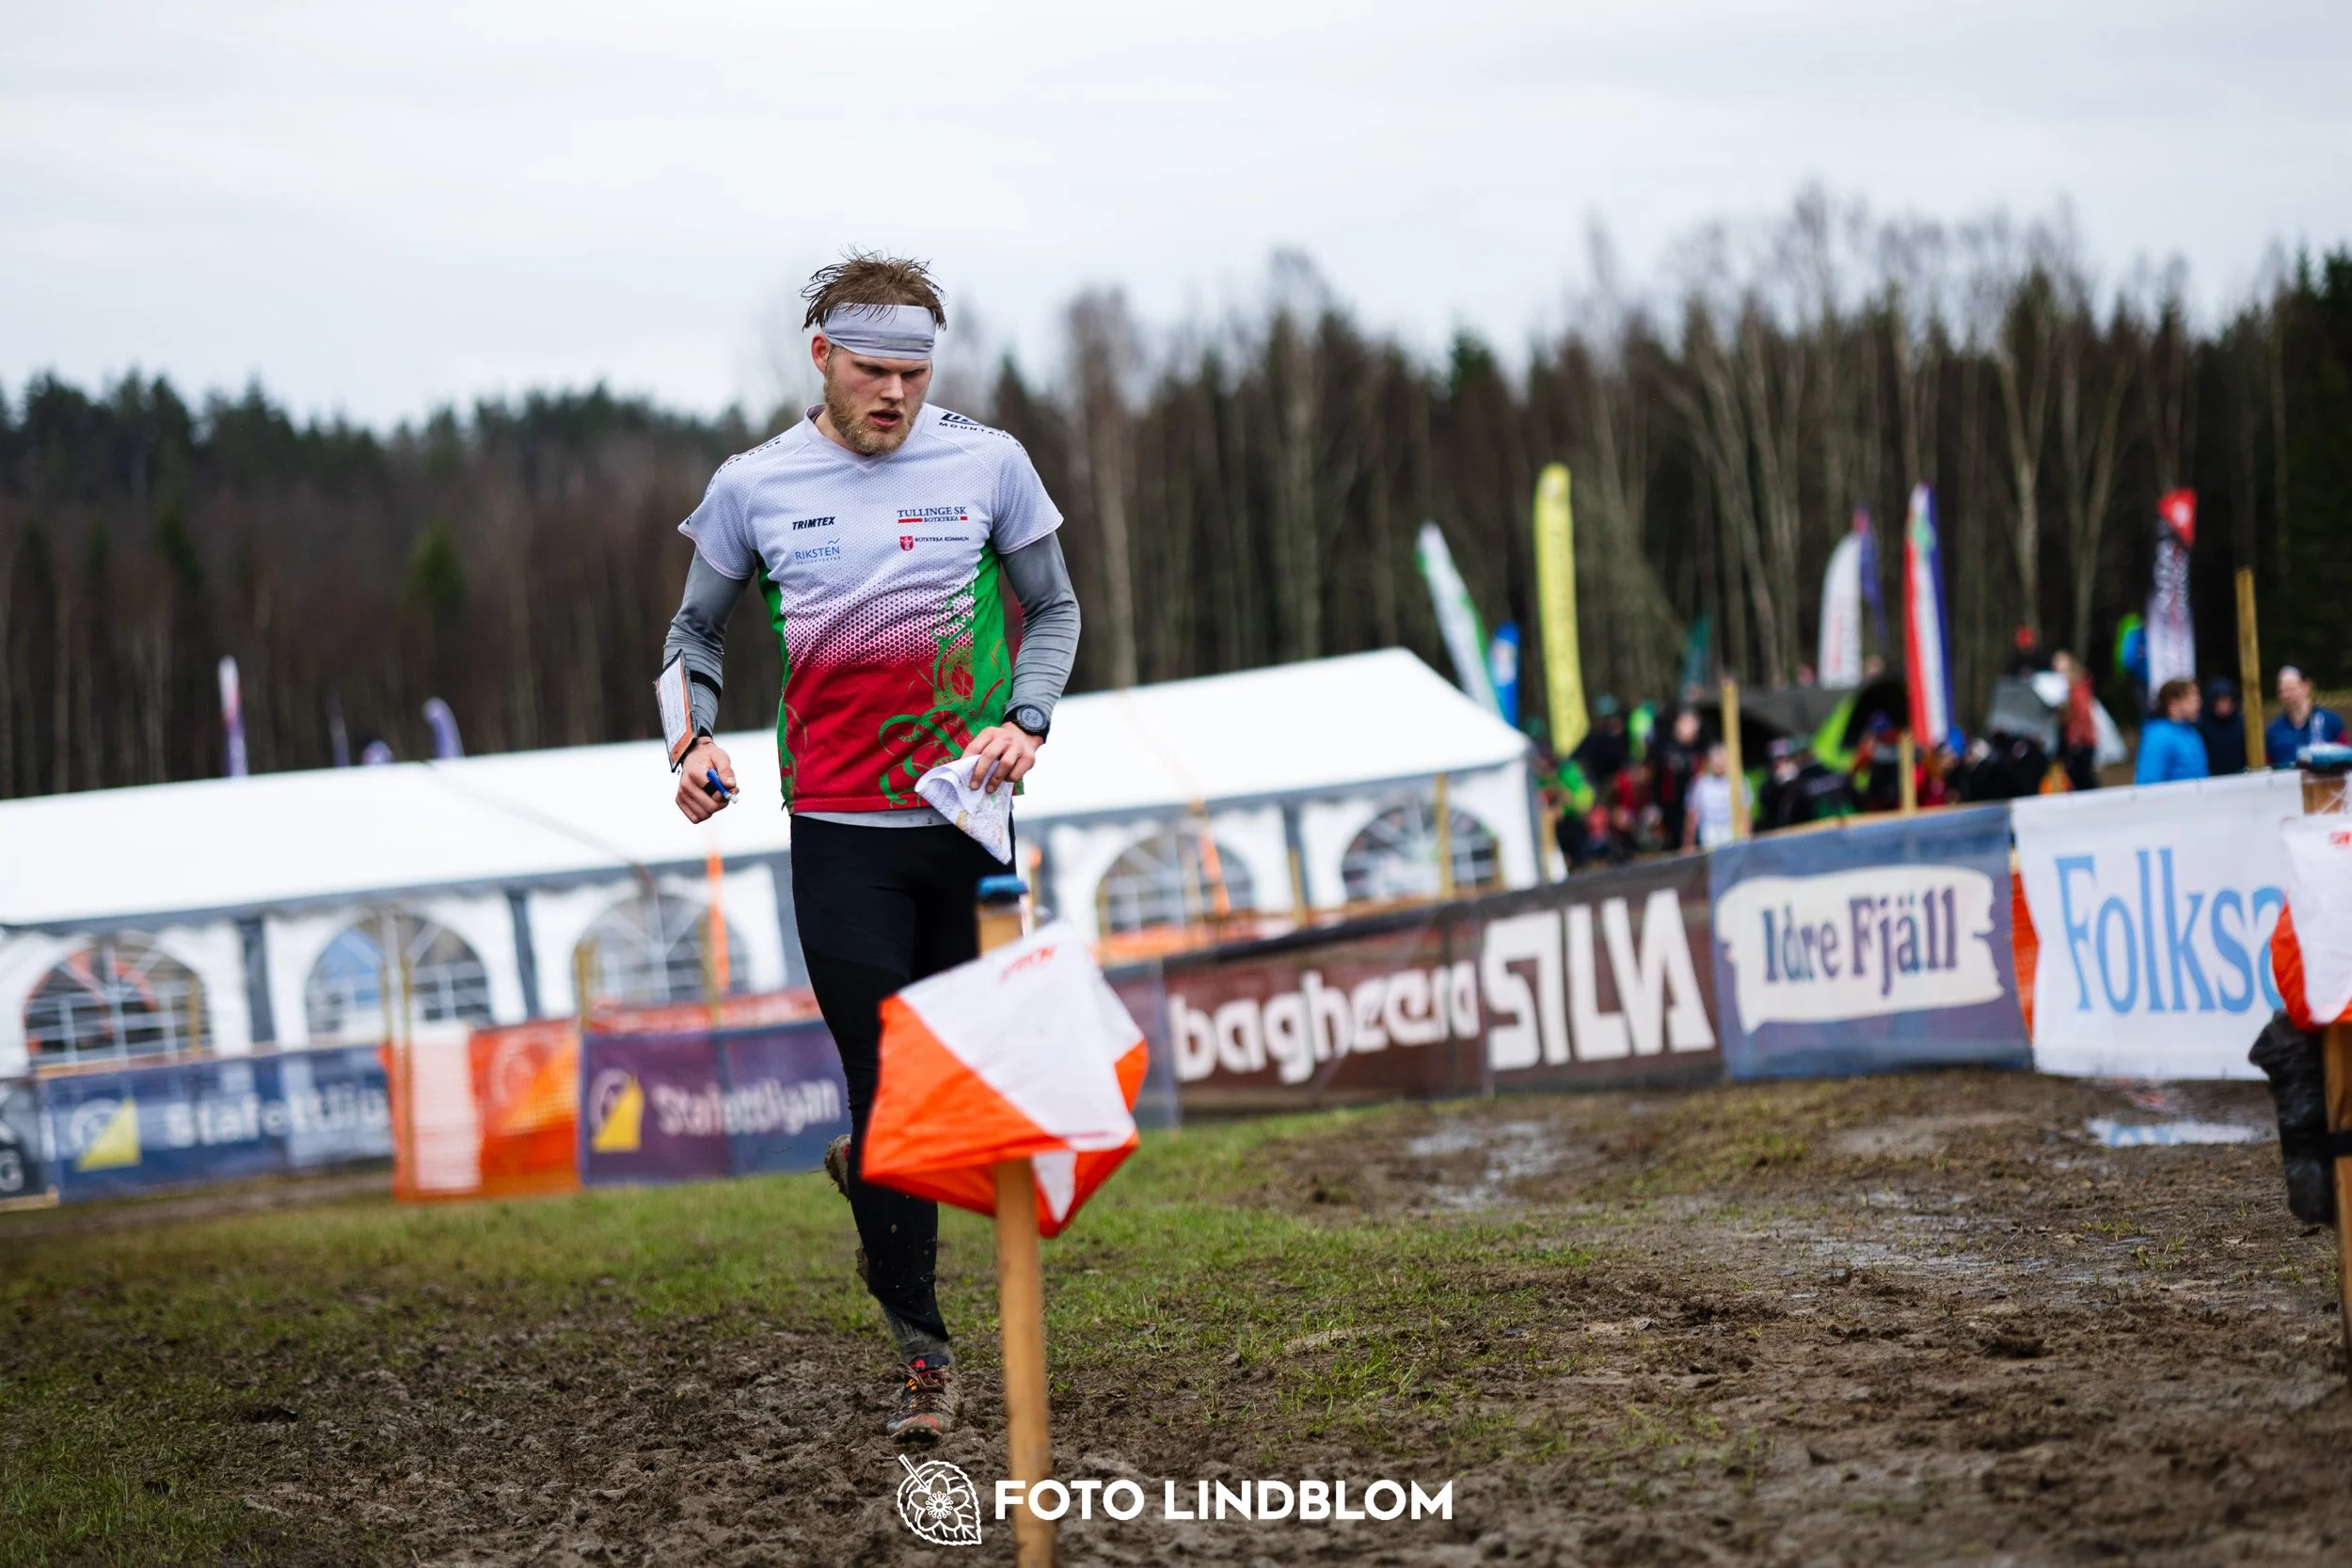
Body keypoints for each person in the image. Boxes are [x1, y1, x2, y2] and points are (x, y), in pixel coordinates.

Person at [658, 254, 1081, 1443]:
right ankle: (925, 1353)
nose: (894, 393)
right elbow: (694, 630)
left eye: (914, 370)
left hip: (969, 823)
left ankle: (878, 1169)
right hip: (841, 835)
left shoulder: (990, 462)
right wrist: (689, 745)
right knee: (889, 1082)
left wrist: (1026, 716)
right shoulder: (753, 485)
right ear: (821, 359)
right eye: (872, 370)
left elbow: (1054, 608)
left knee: (960, 1085)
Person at [2265, 665, 2347, 768]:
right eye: (2282, 691)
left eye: (2291, 689)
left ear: (2307, 686)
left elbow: (2346, 763)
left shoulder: (2331, 722)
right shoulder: (2274, 732)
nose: (2286, 695)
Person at [2135, 678, 2209, 784]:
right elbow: (2147, 782)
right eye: (2191, 698)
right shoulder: (2158, 737)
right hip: (2173, 800)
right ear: (2173, 703)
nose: (2199, 702)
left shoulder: (2192, 732)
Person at [1683, 743, 1750, 849]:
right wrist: (1688, 845)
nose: (1719, 763)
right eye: (1716, 759)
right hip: (1709, 833)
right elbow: (1692, 815)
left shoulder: (1739, 782)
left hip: (1732, 832)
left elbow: (1745, 813)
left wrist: (1746, 839)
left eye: (1722, 759)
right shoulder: (1700, 783)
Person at [2051, 649, 2101, 791]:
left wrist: (2077, 739)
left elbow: (2083, 716)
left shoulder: (2078, 689)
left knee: (2083, 778)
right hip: (2078, 741)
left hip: (2081, 742)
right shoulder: (2069, 690)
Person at [2199, 677, 2248, 776]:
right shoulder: (2201, 728)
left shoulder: (2242, 726)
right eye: (2219, 701)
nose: (2223, 705)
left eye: (2226, 700)